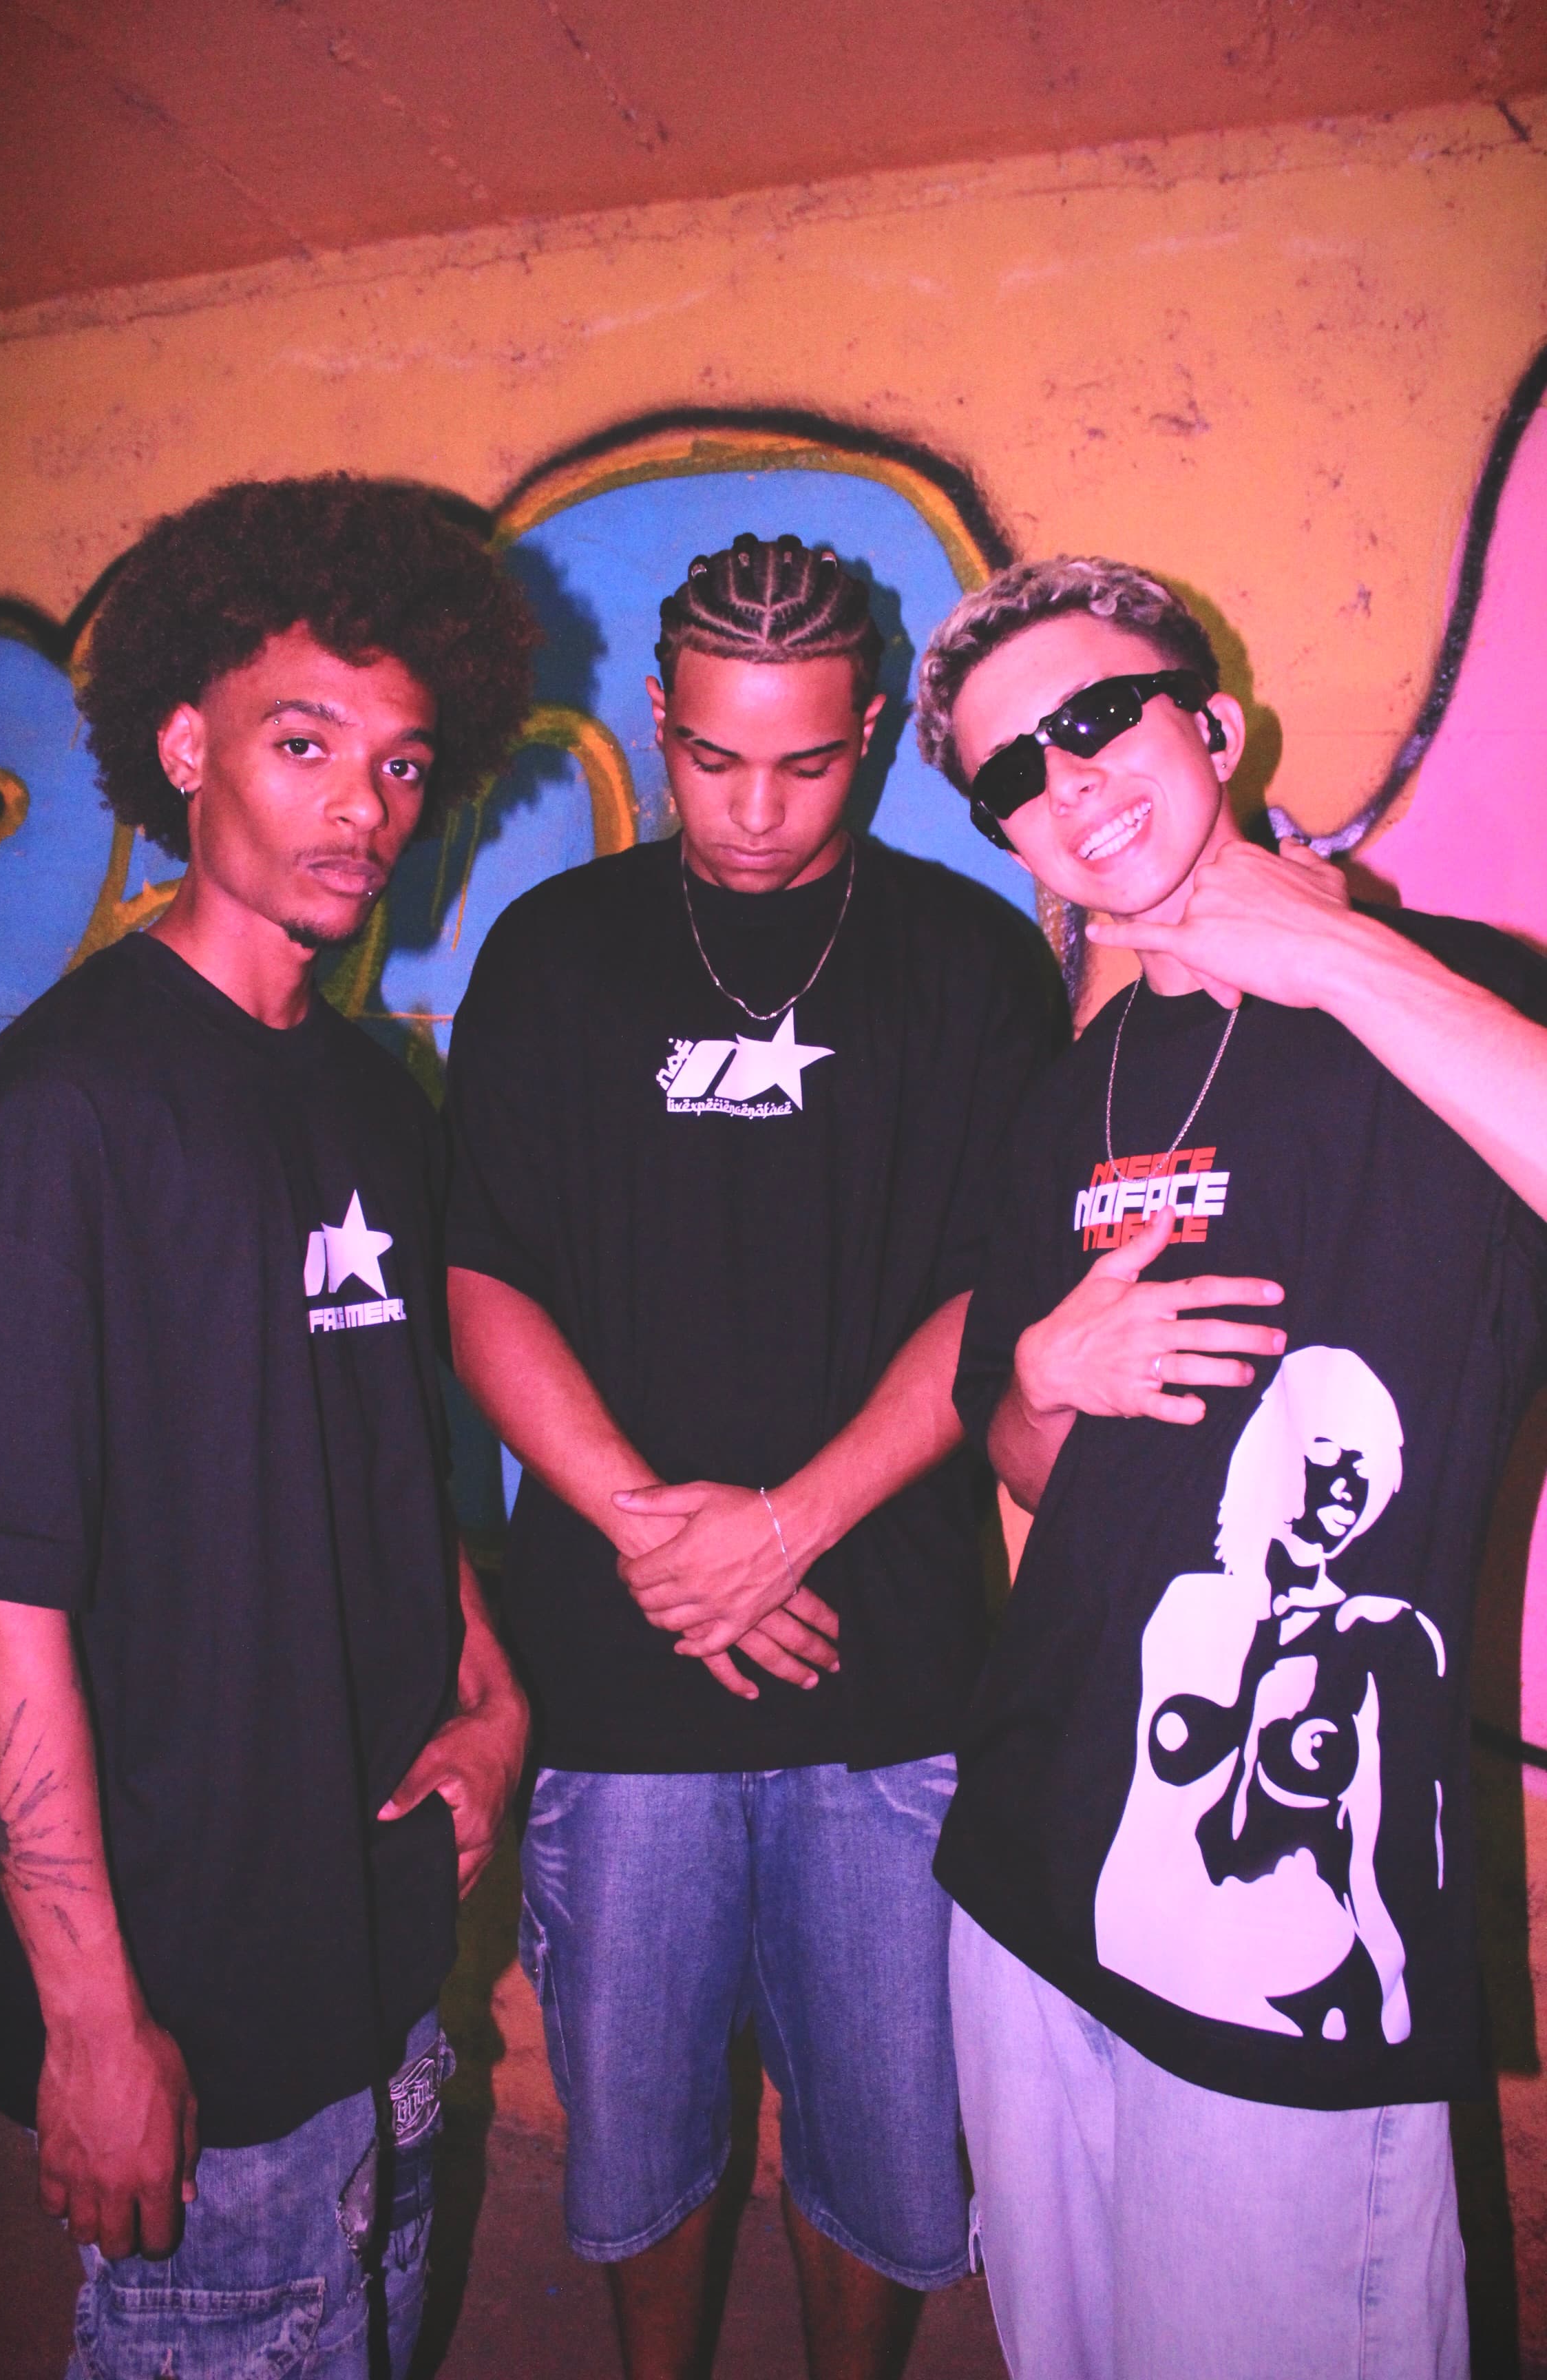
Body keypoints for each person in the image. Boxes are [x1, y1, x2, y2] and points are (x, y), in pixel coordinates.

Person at [914, 553, 1547, 2379]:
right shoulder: (1076, 1085)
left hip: (1285, 1913)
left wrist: (1335, 952)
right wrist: (1041, 1371)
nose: (1067, 781)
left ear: (1215, 721)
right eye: (1010, 774)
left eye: (1097, 716)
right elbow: (1031, 1466)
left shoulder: (1455, 1005)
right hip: (1030, 1868)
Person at [444, 531, 1067, 2380]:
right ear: (662, 718)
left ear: (870, 732)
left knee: (882, 2158)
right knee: (640, 2155)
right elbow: (483, 1269)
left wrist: (783, 1528)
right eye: (717, 758)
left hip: (888, 1679)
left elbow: (993, 1294)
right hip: (616, 1672)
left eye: (805, 762)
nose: (759, 810)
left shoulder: (968, 961)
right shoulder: (556, 952)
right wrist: (653, 1531)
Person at [0, 475, 534, 2380]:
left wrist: (488, 1690)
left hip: (378, 1935)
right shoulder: (70, 1110)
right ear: (185, 746)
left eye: (399, 761)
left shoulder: (376, 1098)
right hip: (196, 1970)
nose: (363, 808)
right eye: (306, 744)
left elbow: (383, 1454)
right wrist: (93, 2021)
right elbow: (4, 1600)